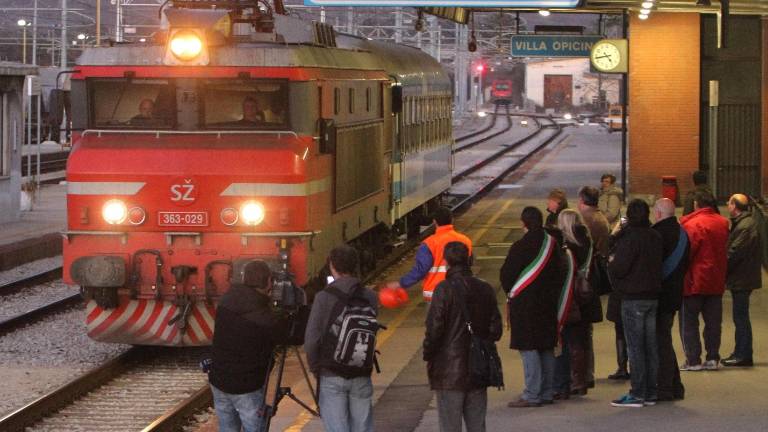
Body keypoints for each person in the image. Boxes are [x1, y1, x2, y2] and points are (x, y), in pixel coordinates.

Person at [423, 241, 502, 432]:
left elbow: (434, 330)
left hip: (449, 371)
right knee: (477, 425)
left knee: (450, 425)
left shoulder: (443, 290)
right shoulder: (485, 288)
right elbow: (496, 330)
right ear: (469, 260)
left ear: (447, 263)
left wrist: (429, 354)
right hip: (478, 368)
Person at [208, 260, 289, 432]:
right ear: (268, 282)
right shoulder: (264, 316)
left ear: (244, 279)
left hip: (219, 381)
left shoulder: (226, 301)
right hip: (247, 387)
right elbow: (288, 336)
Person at [304, 245, 379, 432]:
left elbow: (311, 340)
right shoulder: (370, 296)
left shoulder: (323, 297)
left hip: (331, 373)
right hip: (361, 372)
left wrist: (316, 369)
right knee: (362, 428)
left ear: (332, 266)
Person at [500, 207, 565, 408]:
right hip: (548, 302)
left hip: (526, 304)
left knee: (529, 347)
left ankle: (532, 394)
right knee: (546, 345)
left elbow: (507, 276)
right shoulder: (553, 245)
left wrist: (511, 292)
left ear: (523, 223)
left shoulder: (520, 246)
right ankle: (547, 391)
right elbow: (561, 271)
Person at [608, 199, 663, 407]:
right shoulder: (655, 236)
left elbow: (619, 267)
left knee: (636, 347)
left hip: (633, 298)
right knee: (650, 346)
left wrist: (612, 263)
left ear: (629, 217)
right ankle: (650, 391)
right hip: (653, 297)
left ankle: (638, 392)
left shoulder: (630, 239)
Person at [679, 190, 729, 371]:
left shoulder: (692, 225)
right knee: (713, 322)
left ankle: (693, 360)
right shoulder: (723, 223)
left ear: (696, 204)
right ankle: (713, 357)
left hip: (694, 280)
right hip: (716, 280)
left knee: (689, 321)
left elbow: (687, 253)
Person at [389, 207, 472, 302]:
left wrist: (401, 284)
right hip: (460, 290)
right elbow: (468, 264)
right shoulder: (465, 240)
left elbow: (420, 270)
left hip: (436, 293)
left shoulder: (429, 243)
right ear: (452, 220)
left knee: (436, 317)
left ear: (434, 221)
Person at [552, 209, 592, 399]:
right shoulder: (587, 242)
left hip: (570, 300)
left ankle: (565, 383)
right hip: (585, 297)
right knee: (581, 342)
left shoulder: (566, 249)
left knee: (565, 342)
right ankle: (581, 380)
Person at [651, 198, 688, 401]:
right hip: (675, 294)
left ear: (657, 213)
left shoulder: (657, 234)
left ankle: (665, 387)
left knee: (660, 342)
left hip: (660, 295)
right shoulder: (683, 234)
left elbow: (653, 266)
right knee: (664, 338)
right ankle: (675, 384)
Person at [722, 194, 762, 367]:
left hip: (742, 278)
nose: (727, 205)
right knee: (740, 316)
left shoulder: (746, 226)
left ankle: (743, 354)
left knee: (741, 317)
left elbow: (735, 252)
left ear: (735, 206)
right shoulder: (744, 223)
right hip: (742, 276)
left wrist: (721, 266)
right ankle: (741, 352)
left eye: (729, 202)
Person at [575, 186, 608, 386]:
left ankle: (582, 375)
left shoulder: (587, 221)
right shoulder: (601, 217)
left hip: (586, 280)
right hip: (594, 276)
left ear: (582, 200)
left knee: (581, 331)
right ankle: (587, 373)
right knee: (585, 331)